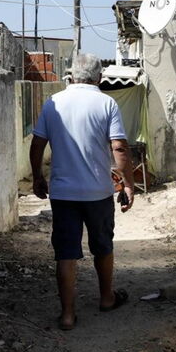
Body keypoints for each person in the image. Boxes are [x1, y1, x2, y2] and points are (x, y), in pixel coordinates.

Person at [30, 54, 135, 331]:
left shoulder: (53, 103)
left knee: (66, 253)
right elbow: (120, 148)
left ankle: (67, 315)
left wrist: (38, 176)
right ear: (98, 77)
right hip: (98, 192)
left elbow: (38, 144)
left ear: (71, 75)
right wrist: (127, 183)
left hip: (63, 193)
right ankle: (106, 298)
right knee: (103, 245)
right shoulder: (106, 103)